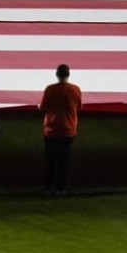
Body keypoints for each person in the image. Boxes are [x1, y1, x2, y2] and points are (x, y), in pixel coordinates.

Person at [39, 64, 82, 195]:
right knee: (64, 160)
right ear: (68, 74)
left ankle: (47, 188)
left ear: (57, 74)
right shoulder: (75, 89)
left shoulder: (50, 89)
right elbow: (79, 107)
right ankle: (61, 188)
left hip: (51, 130)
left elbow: (43, 107)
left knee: (50, 160)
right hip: (68, 130)